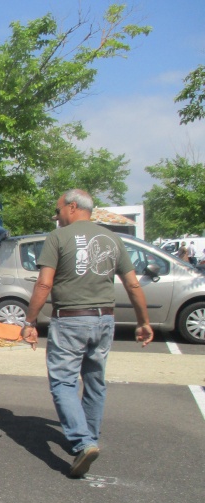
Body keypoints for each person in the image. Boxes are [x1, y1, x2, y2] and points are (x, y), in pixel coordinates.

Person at [21, 189, 154, 478]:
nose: (56, 218)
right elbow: (133, 285)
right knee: (95, 380)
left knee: (63, 383)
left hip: (70, 320)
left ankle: (83, 443)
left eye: (58, 212)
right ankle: (89, 438)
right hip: (104, 319)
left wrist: (30, 321)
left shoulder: (57, 238)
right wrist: (144, 322)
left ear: (72, 207)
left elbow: (44, 285)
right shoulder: (112, 238)